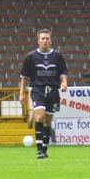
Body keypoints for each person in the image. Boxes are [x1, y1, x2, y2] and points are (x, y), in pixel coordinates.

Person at [18, 28, 68, 159]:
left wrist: (64, 83)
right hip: (38, 90)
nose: (45, 40)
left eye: (47, 38)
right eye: (42, 38)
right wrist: (21, 93)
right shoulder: (31, 56)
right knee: (39, 117)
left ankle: (45, 149)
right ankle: (39, 150)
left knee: (47, 121)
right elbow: (24, 77)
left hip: (53, 91)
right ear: (38, 41)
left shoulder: (57, 56)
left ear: (51, 41)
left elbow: (63, 72)